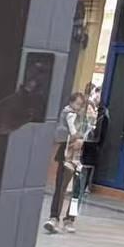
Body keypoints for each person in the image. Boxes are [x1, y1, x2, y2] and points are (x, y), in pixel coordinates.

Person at [43, 91, 86, 234]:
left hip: (79, 158)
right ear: (71, 102)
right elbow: (65, 133)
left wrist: (82, 140)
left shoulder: (83, 118)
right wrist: (75, 137)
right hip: (67, 155)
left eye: (81, 105)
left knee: (76, 192)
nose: (78, 107)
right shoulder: (67, 114)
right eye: (77, 104)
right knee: (61, 187)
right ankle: (54, 217)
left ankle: (70, 219)